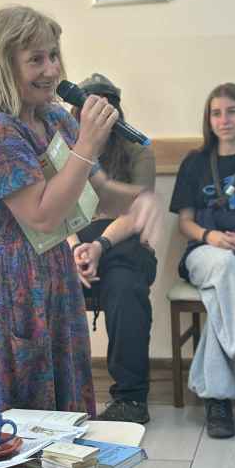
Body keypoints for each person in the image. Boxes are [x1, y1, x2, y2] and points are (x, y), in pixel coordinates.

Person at [0, 5, 160, 468]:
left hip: (52, 282)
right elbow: (42, 213)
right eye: (35, 59)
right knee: (3, 442)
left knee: (58, 428)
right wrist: (87, 146)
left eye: (54, 55)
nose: (51, 69)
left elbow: (95, 192)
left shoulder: (55, 119)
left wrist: (139, 200)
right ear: (4, 64)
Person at [169, 82, 235, 439]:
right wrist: (210, 237)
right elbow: (184, 222)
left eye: (231, 111)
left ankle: (217, 400)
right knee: (225, 269)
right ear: (208, 120)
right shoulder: (194, 162)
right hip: (206, 254)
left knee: (221, 296)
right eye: (216, 113)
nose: (224, 120)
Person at [68, 73, 159, 424]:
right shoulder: (63, 152)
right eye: (89, 108)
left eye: (105, 109)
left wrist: (99, 245)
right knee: (45, 283)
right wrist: (75, 250)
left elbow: (136, 213)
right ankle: (54, 396)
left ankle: (131, 400)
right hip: (75, 245)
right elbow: (55, 210)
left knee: (125, 287)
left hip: (122, 247)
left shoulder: (138, 150)